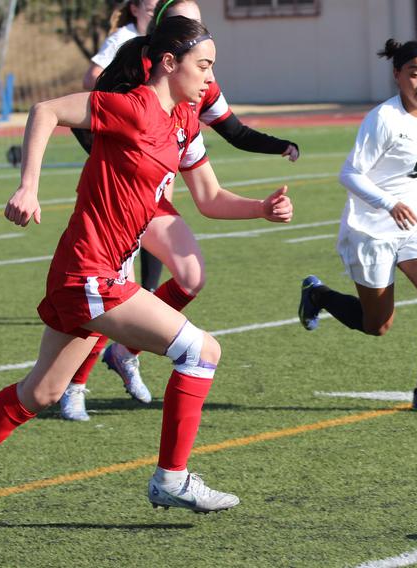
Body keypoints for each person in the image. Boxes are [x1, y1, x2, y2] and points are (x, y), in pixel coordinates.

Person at [0, 16, 293, 521]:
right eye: (203, 66)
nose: (210, 78)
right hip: (88, 273)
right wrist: (28, 187)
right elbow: (46, 110)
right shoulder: (133, 108)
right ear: (168, 63)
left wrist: (260, 209)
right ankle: (171, 479)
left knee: (43, 391)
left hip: (96, 273)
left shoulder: (184, 120)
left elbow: (209, 197)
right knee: (202, 351)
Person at [60, 0, 301, 421]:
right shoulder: (135, 88)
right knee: (115, 295)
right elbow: (74, 108)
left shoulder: (190, 109)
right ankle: (75, 386)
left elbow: (211, 188)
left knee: (189, 277)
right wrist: (103, 164)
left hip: (155, 200)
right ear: (167, 49)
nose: (208, 74)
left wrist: (263, 204)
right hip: (122, 202)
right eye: (184, 24)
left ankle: (122, 352)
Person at [298, 32, 417, 413]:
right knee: (377, 324)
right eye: (415, 74)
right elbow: (350, 174)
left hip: (414, 224)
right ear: (397, 75)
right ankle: (318, 295)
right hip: (370, 229)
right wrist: (389, 204)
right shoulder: (383, 119)